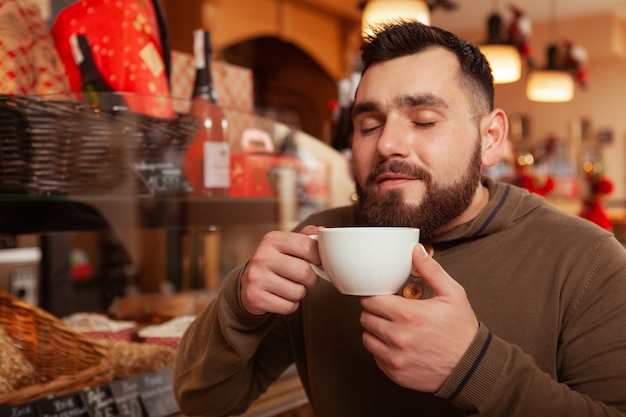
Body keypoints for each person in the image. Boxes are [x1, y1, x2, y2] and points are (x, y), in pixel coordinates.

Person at [173, 20, 626, 416]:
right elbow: (203, 402)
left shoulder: (587, 261)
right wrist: (239, 303)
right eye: (368, 125)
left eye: (423, 120)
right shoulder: (320, 245)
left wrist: (474, 367)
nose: (387, 143)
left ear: (490, 138)